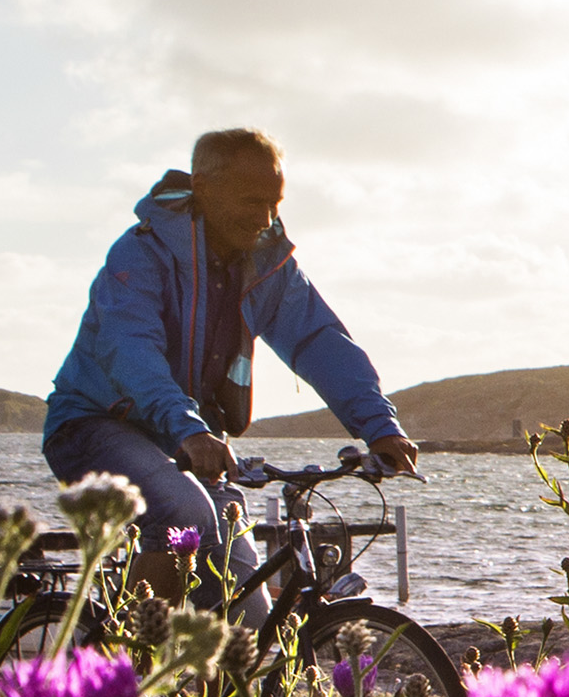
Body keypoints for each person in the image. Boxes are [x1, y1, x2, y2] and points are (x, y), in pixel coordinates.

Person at [42, 129, 416, 548]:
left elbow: (319, 342)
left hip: (188, 439)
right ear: (203, 187)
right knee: (184, 513)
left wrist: (380, 426)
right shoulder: (141, 252)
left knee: (245, 598)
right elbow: (130, 349)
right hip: (93, 426)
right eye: (253, 201)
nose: (266, 218)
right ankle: (144, 617)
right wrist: (189, 430)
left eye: (275, 203)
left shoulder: (269, 266)